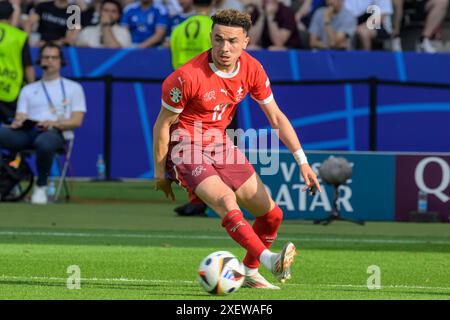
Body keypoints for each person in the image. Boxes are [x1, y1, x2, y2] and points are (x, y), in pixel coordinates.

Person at [153, 9, 321, 288]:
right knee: (226, 203)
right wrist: (161, 173)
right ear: (211, 38)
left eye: (232, 41)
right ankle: (269, 260)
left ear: (246, 41)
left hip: (220, 143)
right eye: (218, 39)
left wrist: (302, 161)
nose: (224, 48)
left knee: (271, 215)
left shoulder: (252, 68)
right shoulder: (185, 77)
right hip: (185, 145)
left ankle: (250, 271)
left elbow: (276, 117)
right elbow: (162, 125)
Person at [0, 42, 87, 204]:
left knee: (44, 142)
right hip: (27, 132)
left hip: (55, 132)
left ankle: (41, 186)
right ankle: (8, 179)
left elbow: (77, 120)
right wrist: (18, 122)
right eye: (46, 57)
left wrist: (54, 124)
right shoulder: (28, 89)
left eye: (54, 57)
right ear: (40, 61)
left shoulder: (73, 88)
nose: (50, 61)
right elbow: (21, 115)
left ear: (61, 61)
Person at [0, 0, 35, 124]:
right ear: (11, 16)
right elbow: (28, 66)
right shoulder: (19, 36)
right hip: (10, 89)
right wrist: (33, 89)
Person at [170, 0, 214, 69]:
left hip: (182, 74)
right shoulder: (215, 28)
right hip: (205, 74)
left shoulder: (178, 28)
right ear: (213, 2)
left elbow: (174, 55)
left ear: (193, 3)